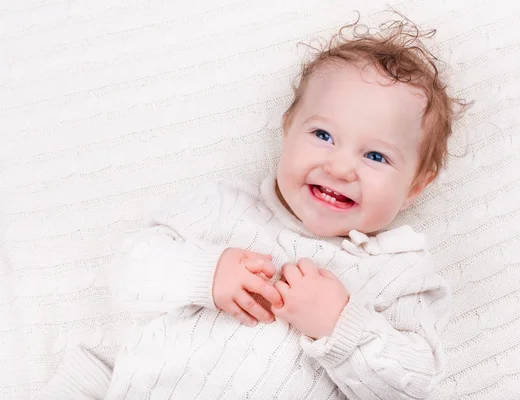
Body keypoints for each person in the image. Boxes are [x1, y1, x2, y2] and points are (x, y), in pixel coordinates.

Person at [38, 16, 465, 400]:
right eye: (322, 135)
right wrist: (205, 272)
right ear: (287, 129)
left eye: (375, 157)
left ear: (415, 187)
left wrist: (341, 324)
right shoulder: (225, 207)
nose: (339, 166)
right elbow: (129, 271)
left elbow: (413, 385)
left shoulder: (400, 274)